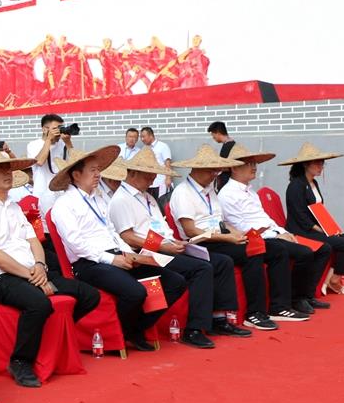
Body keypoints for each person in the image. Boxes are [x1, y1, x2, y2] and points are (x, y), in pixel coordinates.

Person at [0, 146, 100, 387]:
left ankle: (51, 337)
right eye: (0, 169)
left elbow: (33, 240)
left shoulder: (12, 206)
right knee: (38, 304)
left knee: (88, 295)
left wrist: (40, 266)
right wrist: (31, 276)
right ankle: (20, 361)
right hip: (1, 279)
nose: (8, 173)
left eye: (8, 168)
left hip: (32, 271)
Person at [48, 145, 186, 352]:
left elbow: (112, 232)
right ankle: (120, 334)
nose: (98, 174)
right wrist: (113, 259)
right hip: (90, 263)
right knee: (135, 292)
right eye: (93, 170)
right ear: (76, 175)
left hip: (117, 255)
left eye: (98, 169)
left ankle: (136, 328)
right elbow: (77, 244)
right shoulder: (64, 204)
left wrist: (127, 253)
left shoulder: (98, 198)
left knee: (175, 282)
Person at [107, 149, 248, 345]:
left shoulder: (147, 197)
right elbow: (129, 237)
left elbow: (160, 228)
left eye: (154, 174)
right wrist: (163, 246)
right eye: (148, 175)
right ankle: (194, 329)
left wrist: (174, 242)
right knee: (201, 269)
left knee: (220, 261)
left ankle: (218, 318)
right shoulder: (122, 199)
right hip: (146, 252)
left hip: (164, 246)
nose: (153, 179)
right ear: (133, 173)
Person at [167, 144, 284, 331]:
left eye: (217, 170)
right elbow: (191, 230)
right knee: (249, 252)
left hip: (218, 237)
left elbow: (220, 221)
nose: (215, 175)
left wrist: (236, 233)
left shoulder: (210, 190)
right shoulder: (183, 192)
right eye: (211, 171)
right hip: (201, 242)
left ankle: (266, 309)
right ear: (197, 169)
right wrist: (227, 238)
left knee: (261, 247)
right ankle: (253, 313)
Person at [219, 143, 330, 318]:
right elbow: (240, 226)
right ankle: (288, 301)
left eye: (255, 163)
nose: (254, 167)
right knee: (300, 252)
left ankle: (302, 296)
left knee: (317, 249)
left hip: (270, 234)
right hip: (256, 238)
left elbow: (265, 218)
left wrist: (281, 231)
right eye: (249, 164)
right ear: (234, 168)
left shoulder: (250, 191)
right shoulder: (227, 194)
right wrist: (277, 235)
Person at [280, 142, 344, 294]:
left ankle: (332, 277)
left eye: (322, 163)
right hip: (302, 231)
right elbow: (300, 216)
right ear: (305, 164)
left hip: (318, 229)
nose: (321, 166)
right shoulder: (296, 186)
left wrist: (331, 228)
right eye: (317, 163)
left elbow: (319, 211)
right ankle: (333, 280)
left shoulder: (313, 183)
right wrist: (323, 230)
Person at [27, 113, 74, 205]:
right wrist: (49, 140)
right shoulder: (33, 144)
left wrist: (68, 142)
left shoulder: (62, 144)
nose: (59, 131)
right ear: (45, 129)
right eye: (56, 128)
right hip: (43, 193)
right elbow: (40, 162)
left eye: (61, 128)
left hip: (61, 193)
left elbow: (75, 162)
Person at [139, 127, 173, 196]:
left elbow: (168, 162)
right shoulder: (144, 148)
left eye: (144, 136)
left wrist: (168, 178)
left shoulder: (163, 146)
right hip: (148, 184)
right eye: (141, 137)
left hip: (160, 182)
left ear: (151, 135)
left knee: (161, 201)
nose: (142, 139)